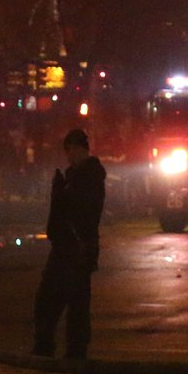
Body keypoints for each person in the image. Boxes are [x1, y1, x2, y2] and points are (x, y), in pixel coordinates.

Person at [32, 127, 106, 360]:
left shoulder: (87, 177)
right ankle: (69, 350)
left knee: (59, 300)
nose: (68, 156)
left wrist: (61, 193)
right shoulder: (81, 176)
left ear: (77, 148)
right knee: (70, 301)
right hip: (74, 246)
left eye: (70, 150)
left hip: (74, 247)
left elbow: (80, 211)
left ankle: (56, 348)